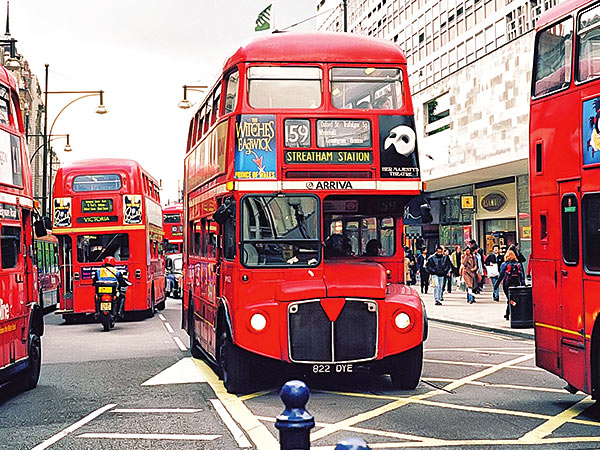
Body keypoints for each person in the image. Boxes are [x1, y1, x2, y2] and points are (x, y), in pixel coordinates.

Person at [494, 249, 525, 320]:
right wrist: (523, 284)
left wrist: (496, 285)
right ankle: (511, 312)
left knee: (509, 298)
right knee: (514, 298)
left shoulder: (504, 264)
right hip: (517, 283)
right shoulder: (518, 264)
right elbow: (521, 275)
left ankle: (508, 313)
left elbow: (501, 275)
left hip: (507, 284)